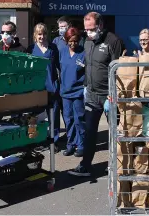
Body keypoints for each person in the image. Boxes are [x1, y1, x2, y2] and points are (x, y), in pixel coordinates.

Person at [68, 12, 126, 176]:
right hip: (92, 95)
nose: (88, 32)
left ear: (100, 25)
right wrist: (86, 86)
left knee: (115, 132)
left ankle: (116, 165)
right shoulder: (87, 41)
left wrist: (112, 95)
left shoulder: (113, 41)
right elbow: (88, 65)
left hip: (109, 96)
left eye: (91, 29)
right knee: (90, 132)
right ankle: (85, 165)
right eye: (86, 29)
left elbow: (118, 70)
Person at [26, 23, 60, 153]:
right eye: (39, 34)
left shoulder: (53, 48)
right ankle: (35, 140)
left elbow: (58, 67)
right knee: (34, 117)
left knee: (54, 116)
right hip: (37, 89)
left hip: (51, 88)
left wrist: (58, 84)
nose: (42, 36)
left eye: (44, 33)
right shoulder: (31, 49)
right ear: (35, 35)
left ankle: (53, 141)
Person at [59, 27, 85, 157]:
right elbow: (60, 69)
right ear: (66, 40)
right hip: (65, 92)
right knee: (68, 120)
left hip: (78, 92)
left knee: (79, 119)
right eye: (70, 41)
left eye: (75, 41)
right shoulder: (62, 52)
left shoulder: (83, 53)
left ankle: (81, 145)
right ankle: (70, 144)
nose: (73, 44)